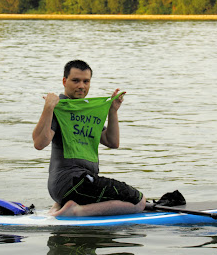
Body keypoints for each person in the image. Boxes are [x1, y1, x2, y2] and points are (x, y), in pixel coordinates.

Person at [33, 60, 146, 217]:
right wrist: (48, 108)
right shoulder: (60, 108)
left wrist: (112, 111)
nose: (81, 86)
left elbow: (112, 142)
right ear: (64, 81)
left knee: (109, 191)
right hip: (73, 183)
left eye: (86, 81)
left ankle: (59, 207)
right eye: (76, 80)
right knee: (139, 202)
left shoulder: (86, 110)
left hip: (71, 187)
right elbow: (39, 143)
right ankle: (75, 211)